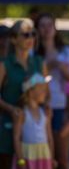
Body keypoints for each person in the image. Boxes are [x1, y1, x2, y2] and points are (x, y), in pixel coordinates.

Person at [0, 19, 47, 169]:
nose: (30, 38)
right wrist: (11, 109)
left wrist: (46, 107)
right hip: (7, 127)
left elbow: (47, 94)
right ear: (13, 39)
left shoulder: (39, 62)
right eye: (25, 34)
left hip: (34, 130)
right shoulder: (4, 64)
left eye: (33, 34)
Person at [35, 13, 69, 169]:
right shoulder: (34, 53)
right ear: (37, 29)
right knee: (46, 158)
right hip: (39, 109)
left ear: (55, 28)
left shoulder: (66, 51)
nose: (46, 29)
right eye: (42, 25)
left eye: (49, 25)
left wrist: (60, 67)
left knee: (63, 159)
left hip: (62, 108)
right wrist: (49, 66)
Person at [13, 73, 55, 169]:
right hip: (27, 157)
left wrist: (51, 159)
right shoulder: (22, 113)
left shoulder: (45, 113)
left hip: (44, 157)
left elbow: (50, 138)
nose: (45, 92)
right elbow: (16, 138)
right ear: (31, 91)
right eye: (41, 88)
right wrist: (20, 160)